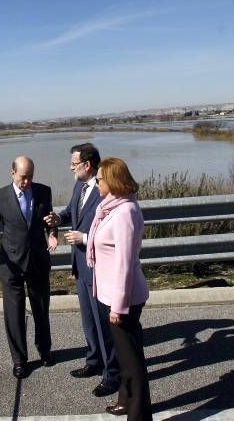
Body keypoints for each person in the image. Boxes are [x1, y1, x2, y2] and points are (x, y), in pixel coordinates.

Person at [44, 143, 120, 397]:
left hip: (99, 267)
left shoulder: (104, 189)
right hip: (80, 266)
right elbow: (71, 212)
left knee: (103, 324)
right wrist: (59, 219)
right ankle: (94, 360)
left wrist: (84, 237)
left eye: (74, 163)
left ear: (87, 165)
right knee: (88, 321)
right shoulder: (80, 185)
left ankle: (112, 374)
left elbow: (111, 228)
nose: (70, 167)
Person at [0, 156, 58, 379]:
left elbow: (50, 221)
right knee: (14, 313)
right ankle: (20, 360)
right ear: (12, 173)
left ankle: (45, 349)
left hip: (38, 260)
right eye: (23, 177)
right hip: (11, 263)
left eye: (31, 177)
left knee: (41, 309)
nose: (27, 182)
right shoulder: (0, 196)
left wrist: (52, 234)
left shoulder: (43, 191)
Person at [86, 157, 152, 421]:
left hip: (122, 298)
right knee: (125, 358)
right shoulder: (110, 208)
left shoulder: (125, 213)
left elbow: (125, 263)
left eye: (99, 179)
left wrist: (119, 305)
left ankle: (139, 416)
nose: (97, 183)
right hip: (109, 295)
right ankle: (125, 401)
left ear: (112, 181)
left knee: (133, 363)